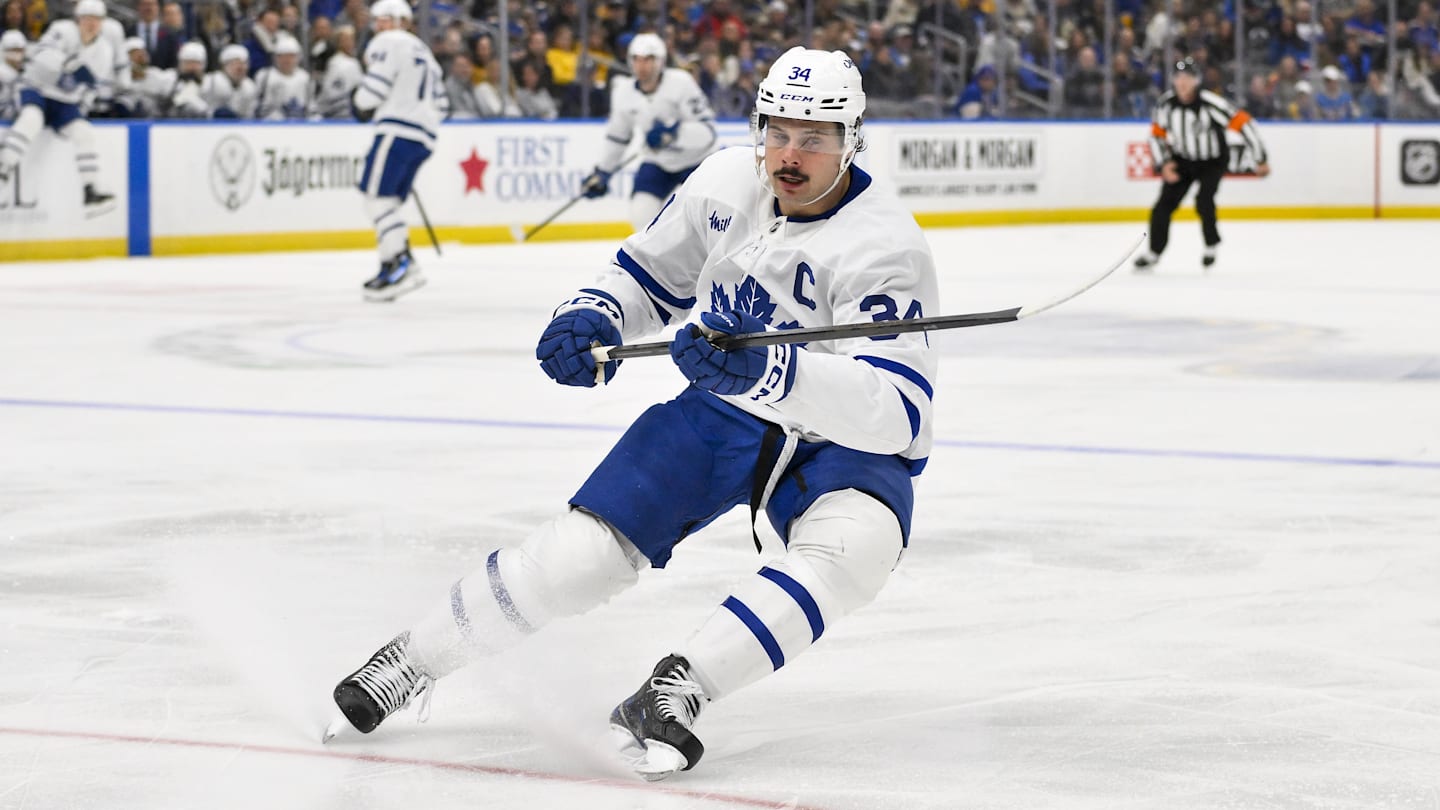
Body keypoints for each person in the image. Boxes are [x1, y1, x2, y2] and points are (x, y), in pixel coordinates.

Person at [325, 46, 939, 783]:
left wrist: (779, 370)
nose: (789, 155)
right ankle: (413, 659)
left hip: (836, 436)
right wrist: (596, 313)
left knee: (858, 544)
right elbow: (647, 274)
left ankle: (679, 690)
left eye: (814, 138)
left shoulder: (885, 246)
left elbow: (898, 409)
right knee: (582, 558)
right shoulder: (724, 181)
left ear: (851, 140)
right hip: (726, 407)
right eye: (777, 132)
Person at [350, 0, 447, 302]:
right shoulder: (425, 52)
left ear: (399, 21)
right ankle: (391, 265)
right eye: (377, 20)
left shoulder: (388, 41)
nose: (378, 26)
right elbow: (443, 105)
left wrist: (359, 102)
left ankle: (401, 263)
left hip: (397, 130)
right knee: (388, 201)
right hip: (424, 136)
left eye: (383, 19)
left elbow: (371, 93)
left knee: (376, 200)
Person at [1134, 57, 1269, 272]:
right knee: (1162, 207)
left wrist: (1260, 158)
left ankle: (1211, 244)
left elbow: (1245, 124)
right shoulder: (1166, 104)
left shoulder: (1211, 103)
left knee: (1204, 201)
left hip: (1212, 161)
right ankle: (1154, 252)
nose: (1182, 82)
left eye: (1187, 77)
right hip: (1183, 159)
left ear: (1196, 80)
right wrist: (1165, 163)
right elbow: (1156, 136)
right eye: (1178, 77)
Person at [580, 32, 718, 233]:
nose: (642, 66)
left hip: (697, 162)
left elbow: (708, 132)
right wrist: (603, 172)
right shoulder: (623, 92)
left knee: (705, 221)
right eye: (637, 59)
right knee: (641, 214)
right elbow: (617, 138)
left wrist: (673, 135)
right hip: (658, 161)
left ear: (660, 61)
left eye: (648, 59)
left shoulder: (681, 83)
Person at [0, 0, 117, 215]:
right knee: (31, 118)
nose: (91, 24)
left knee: (84, 132)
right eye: (87, 19)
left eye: (96, 19)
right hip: (37, 88)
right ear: (78, 19)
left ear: (102, 22)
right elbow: (40, 54)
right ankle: (3, 167)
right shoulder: (62, 30)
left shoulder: (104, 51)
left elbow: (94, 86)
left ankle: (90, 189)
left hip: (66, 101)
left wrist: (82, 105)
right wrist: (67, 64)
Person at [254, 33, 314, 119]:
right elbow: (257, 107)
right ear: (275, 57)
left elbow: (311, 106)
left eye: (291, 56)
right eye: (282, 56)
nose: (287, 60)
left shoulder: (305, 77)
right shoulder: (265, 76)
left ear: (298, 57)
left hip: (300, 123)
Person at [201, 42, 257, 118]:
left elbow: (249, 117)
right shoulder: (210, 81)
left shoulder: (250, 87)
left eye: (243, 64)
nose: (239, 68)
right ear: (224, 66)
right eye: (235, 63)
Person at [0, 28, 24, 121]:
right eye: (13, 50)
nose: (17, 55)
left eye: (20, 50)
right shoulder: (2, 74)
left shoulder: (25, 74)